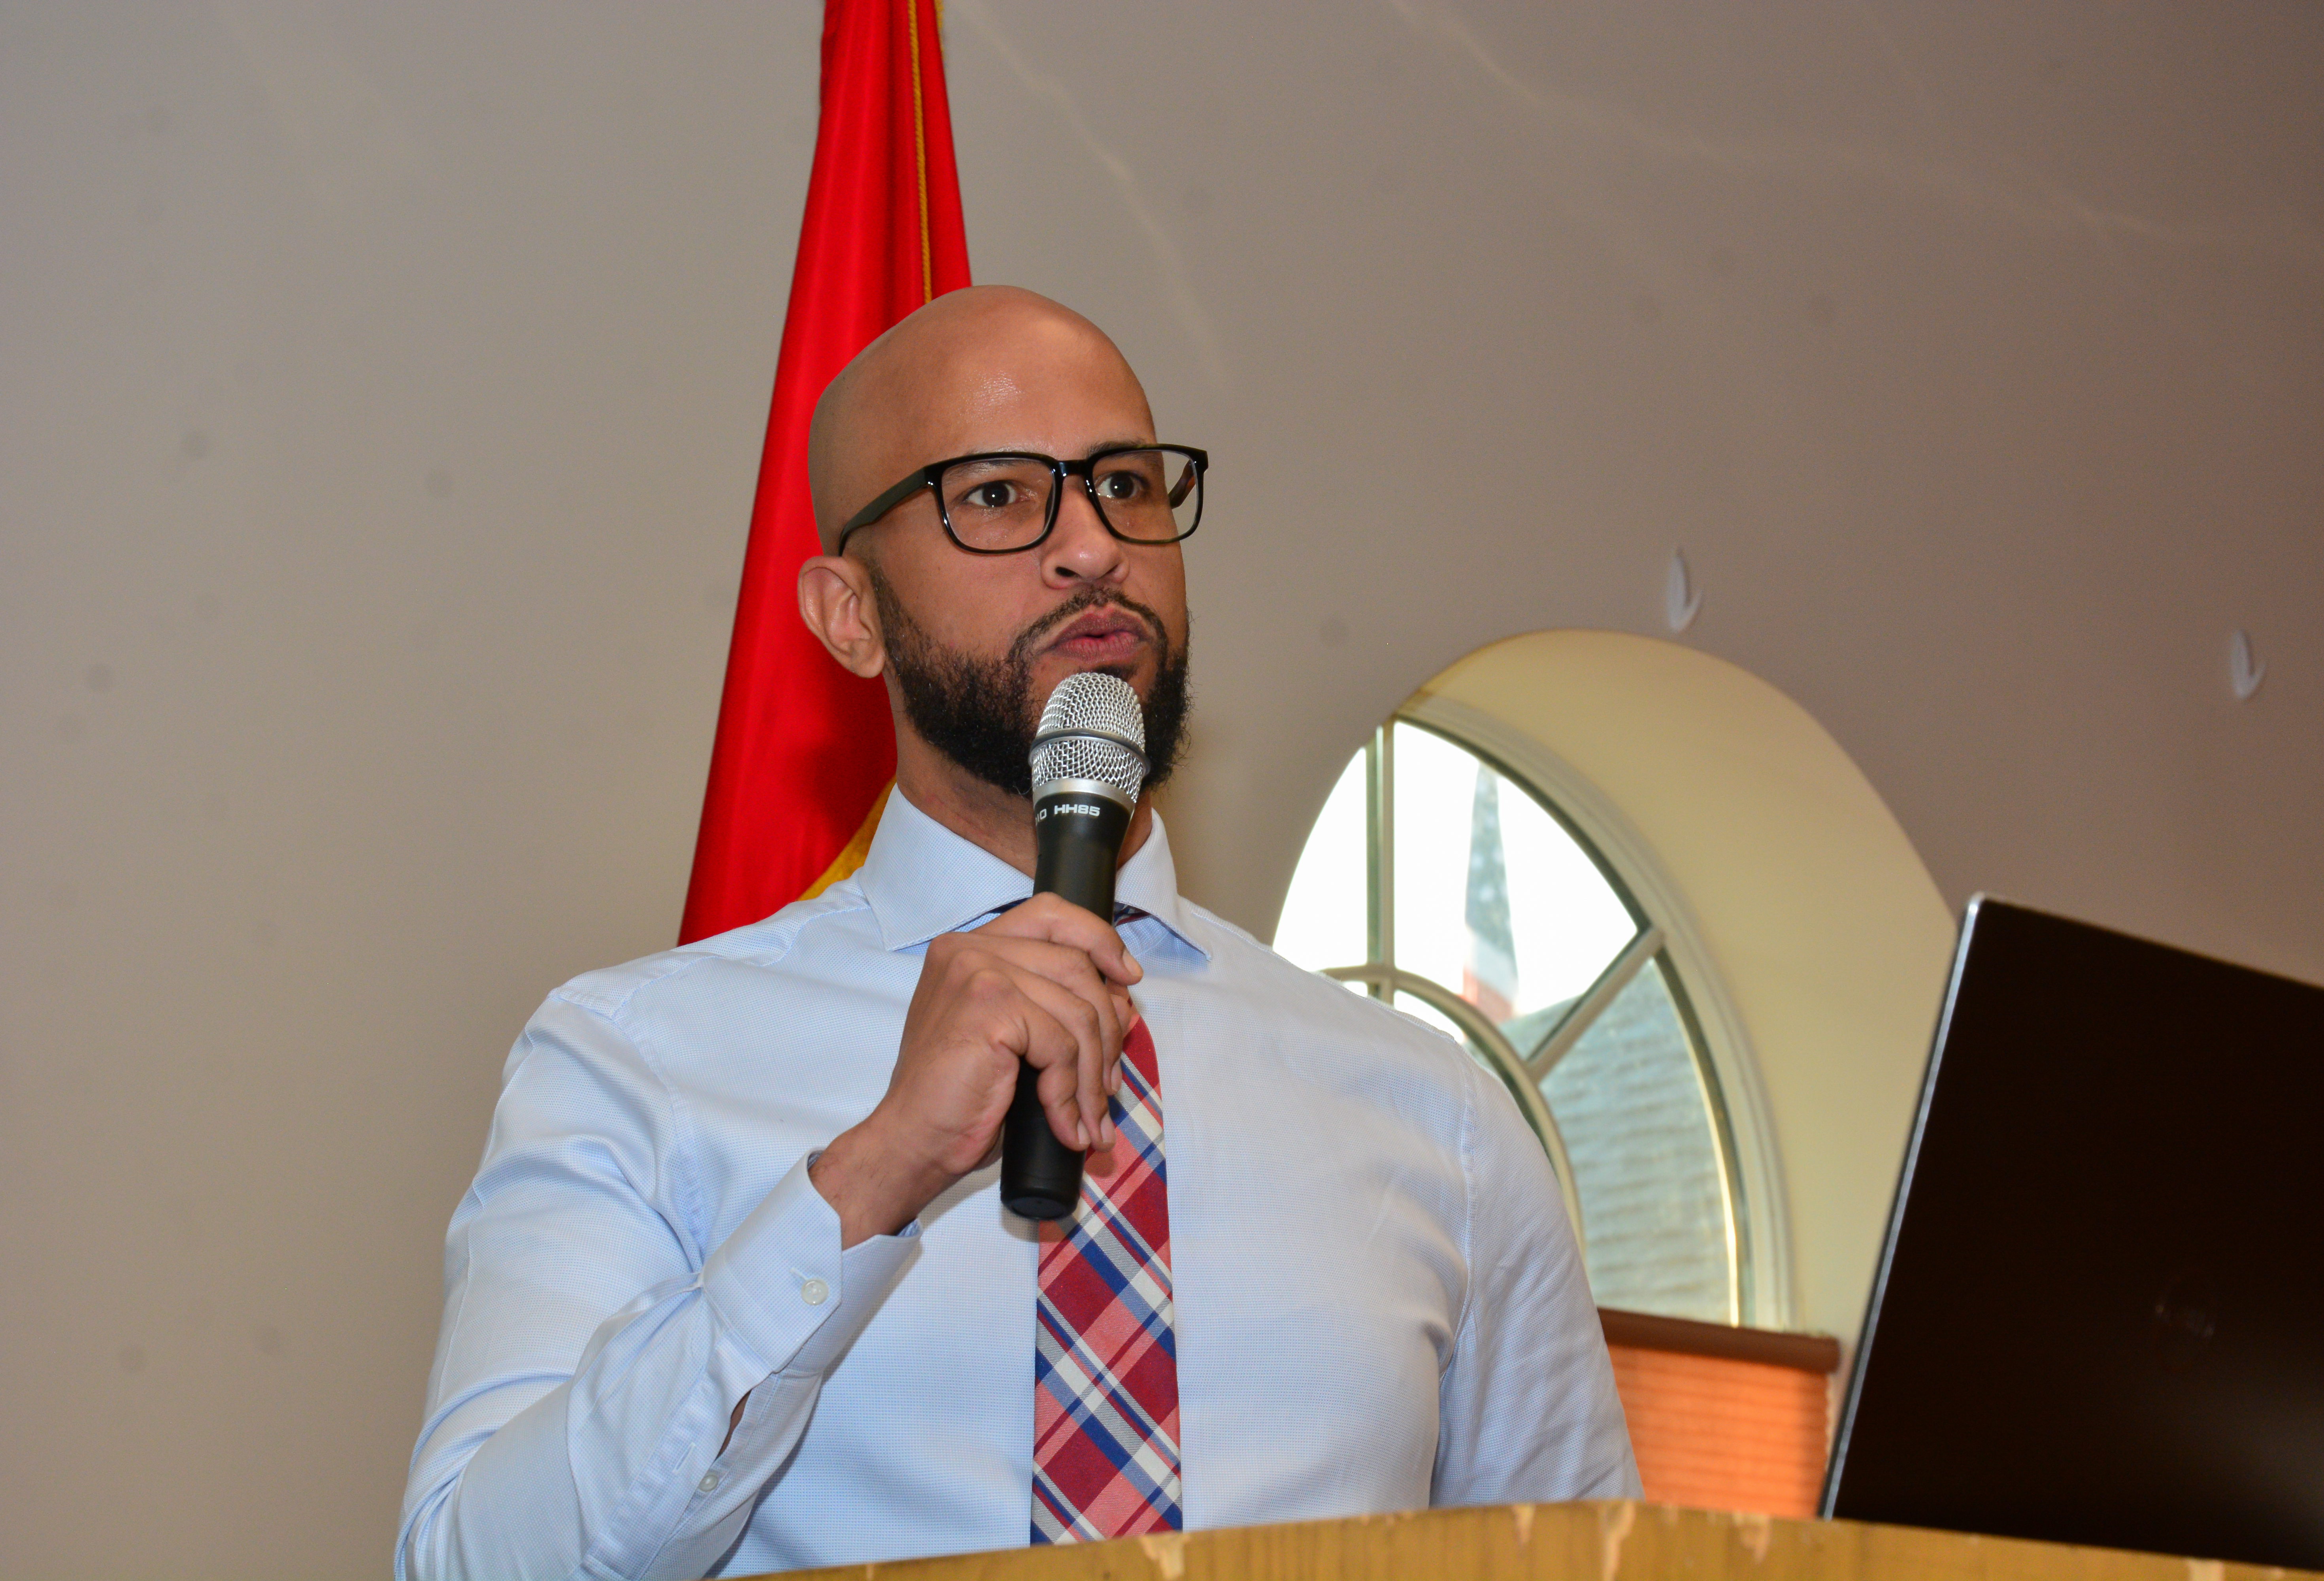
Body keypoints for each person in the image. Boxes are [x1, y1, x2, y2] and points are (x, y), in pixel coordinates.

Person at [396, 286, 1638, 1581]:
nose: (1093, 545)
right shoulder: (634, 1059)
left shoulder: (1433, 1116)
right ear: (849, 615)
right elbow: (472, 1568)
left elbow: (1593, 1562)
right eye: (995, 494)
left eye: (1125, 484)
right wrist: (871, 1176)